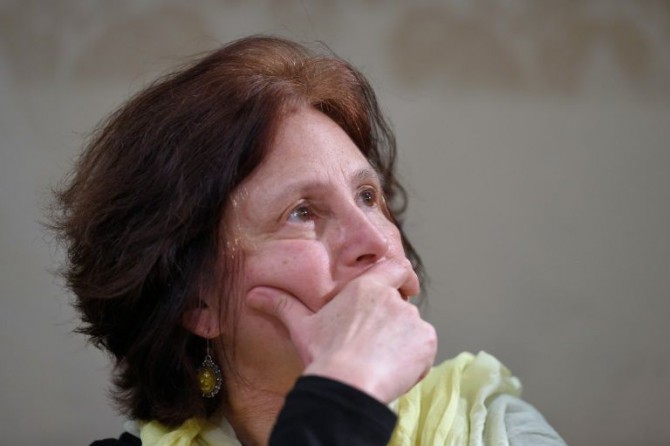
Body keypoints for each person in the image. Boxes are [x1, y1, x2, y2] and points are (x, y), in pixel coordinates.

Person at [51, 36, 565, 445]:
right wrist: (345, 392)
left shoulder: (490, 427)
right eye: (302, 212)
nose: (376, 240)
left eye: (367, 196)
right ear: (197, 301)